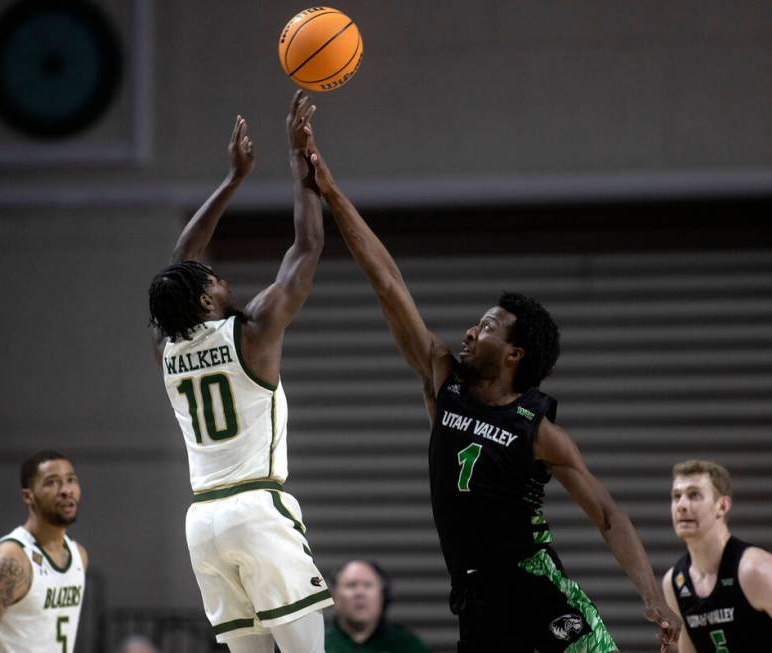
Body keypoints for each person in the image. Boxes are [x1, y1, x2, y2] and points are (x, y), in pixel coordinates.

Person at [306, 138, 680, 652]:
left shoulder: (539, 431)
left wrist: (651, 597)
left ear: (514, 355)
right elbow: (388, 282)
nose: (469, 332)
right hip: (476, 602)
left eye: (485, 328)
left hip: (538, 592)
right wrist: (330, 190)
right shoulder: (444, 384)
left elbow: (608, 516)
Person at [147, 90, 331, 653]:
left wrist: (232, 181)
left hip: (202, 523)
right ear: (205, 302)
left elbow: (182, 262)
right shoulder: (252, 334)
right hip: (257, 509)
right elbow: (307, 246)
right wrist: (300, 162)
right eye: (215, 280)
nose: (224, 280)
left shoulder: (166, 349)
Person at [662, 459, 772, 652]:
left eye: (694, 495)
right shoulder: (674, 583)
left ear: (722, 506)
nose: (681, 505)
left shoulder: (756, 571)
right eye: (676, 496)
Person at [0, 450, 87, 653]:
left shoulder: (79, 557)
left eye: (71, 480)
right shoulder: (9, 561)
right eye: (52, 482)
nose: (66, 490)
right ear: (28, 496)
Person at [325, 559, 432, 653]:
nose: (360, 593)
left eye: (368, 585)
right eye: (351, 585)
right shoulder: (319, 645)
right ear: (335, 596)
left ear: (382, 596)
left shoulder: (407, 646)